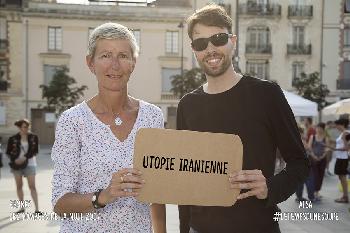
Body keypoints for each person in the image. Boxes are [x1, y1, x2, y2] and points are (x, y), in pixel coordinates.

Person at [177, 4, 309, 233]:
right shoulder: (187, 105)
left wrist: (271, 187)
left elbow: (299, 162)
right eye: (201, 43)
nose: (210, 49)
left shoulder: (266, 94)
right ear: (194, 49)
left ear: (233, 41)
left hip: (258, 226)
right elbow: (184, 177)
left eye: (218, 38)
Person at [51, 22, 166, 232]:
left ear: (133, 62)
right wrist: (104, 196)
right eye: (105, 55)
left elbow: (156, 194)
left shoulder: (153, 117)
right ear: (90, 63)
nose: (115, 65)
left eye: (123, 55)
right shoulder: (72, 121)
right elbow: (60, 204)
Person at [6, 119, 41, 214]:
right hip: (16, 165)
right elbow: (8, 152)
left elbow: (35, 151)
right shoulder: (13, 138)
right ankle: (22, 208)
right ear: (19, 127)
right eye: (25, 127)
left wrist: (25, 157)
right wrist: (15, 160)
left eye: (28, 126)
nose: (27, 128)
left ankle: (37, 209)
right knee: (19, 186)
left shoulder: (34, 137)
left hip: (30, 164)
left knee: (32, 186)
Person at [308, 122, 328, 200]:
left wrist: (322, 156)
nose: (318, 130)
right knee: (314, 175)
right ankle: (313, 191)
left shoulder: (325, 138)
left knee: (321, 175)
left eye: (320, 128)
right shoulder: (312, 137)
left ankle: (317, 191)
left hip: (322, 160)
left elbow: (326, 149)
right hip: (313, 159)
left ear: (323, 129)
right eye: (317, 128)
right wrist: (314, 156)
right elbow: (309, 148)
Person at [295, 127, 315, 202]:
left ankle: (299, 197)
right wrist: (309, 140)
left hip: (295, 163)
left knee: (299, 181)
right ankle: (311, 197)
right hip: (304, 162)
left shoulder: (291, 139)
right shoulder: (301, 140)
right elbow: (308, 148)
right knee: (309, 179)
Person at [332, 118, 349, 203]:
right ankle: (344, 195)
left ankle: (345, 196)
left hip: (343, 158)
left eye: (337, 125)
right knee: (341, 177)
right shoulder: (343, 133)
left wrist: (334, 149)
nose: (336, 126)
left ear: (341, 125)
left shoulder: (346, 133)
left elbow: (347, 148)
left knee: (343, 177)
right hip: (340, 158)